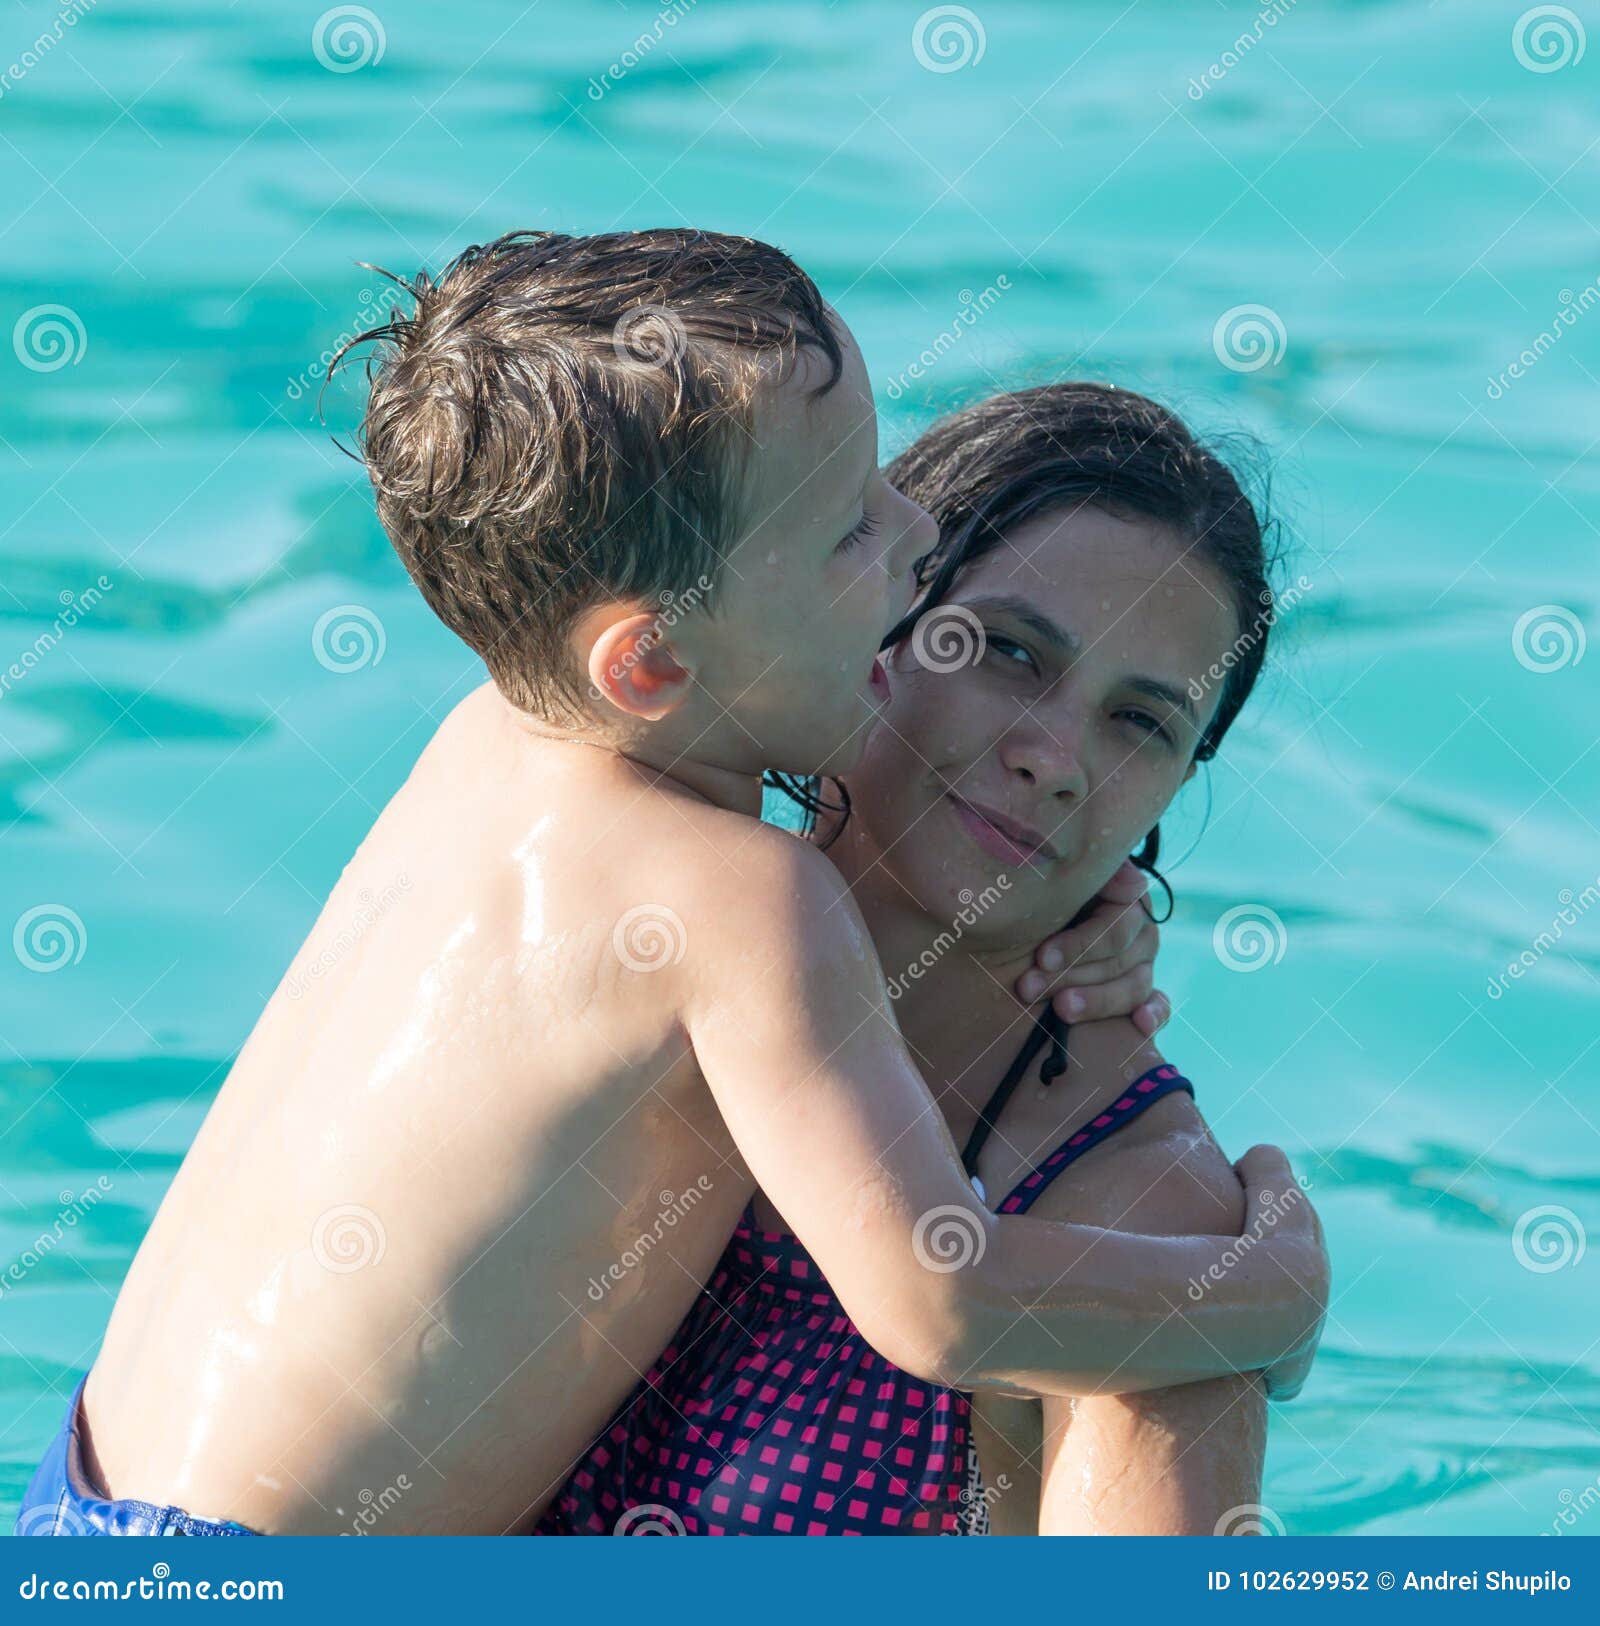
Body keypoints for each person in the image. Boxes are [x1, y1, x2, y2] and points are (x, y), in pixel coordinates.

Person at [17, 233, 1325, 1538]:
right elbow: (938, 1301)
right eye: (865, 537)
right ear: (651, 664)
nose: (913, 532)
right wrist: (1275, 1294)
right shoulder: (745, 909)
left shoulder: (496, 753)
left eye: (1142, 726)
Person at [539, 383, 1304, 1536]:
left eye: (1139, 722)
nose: (1055, 758)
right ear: (866, 615)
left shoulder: (1141, 1230)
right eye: (1004, 651)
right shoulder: (590, 903)